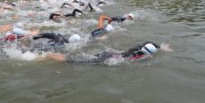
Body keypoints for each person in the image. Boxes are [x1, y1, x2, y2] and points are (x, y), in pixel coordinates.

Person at [42, 42, 172, 63]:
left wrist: (159, 46)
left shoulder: (136, 48)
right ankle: (51, 56)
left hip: (108, 54)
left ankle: (54, 56)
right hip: (107, 59)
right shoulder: (140, 57)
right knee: (75, 61)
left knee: (83, 58)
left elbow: (148, 41)